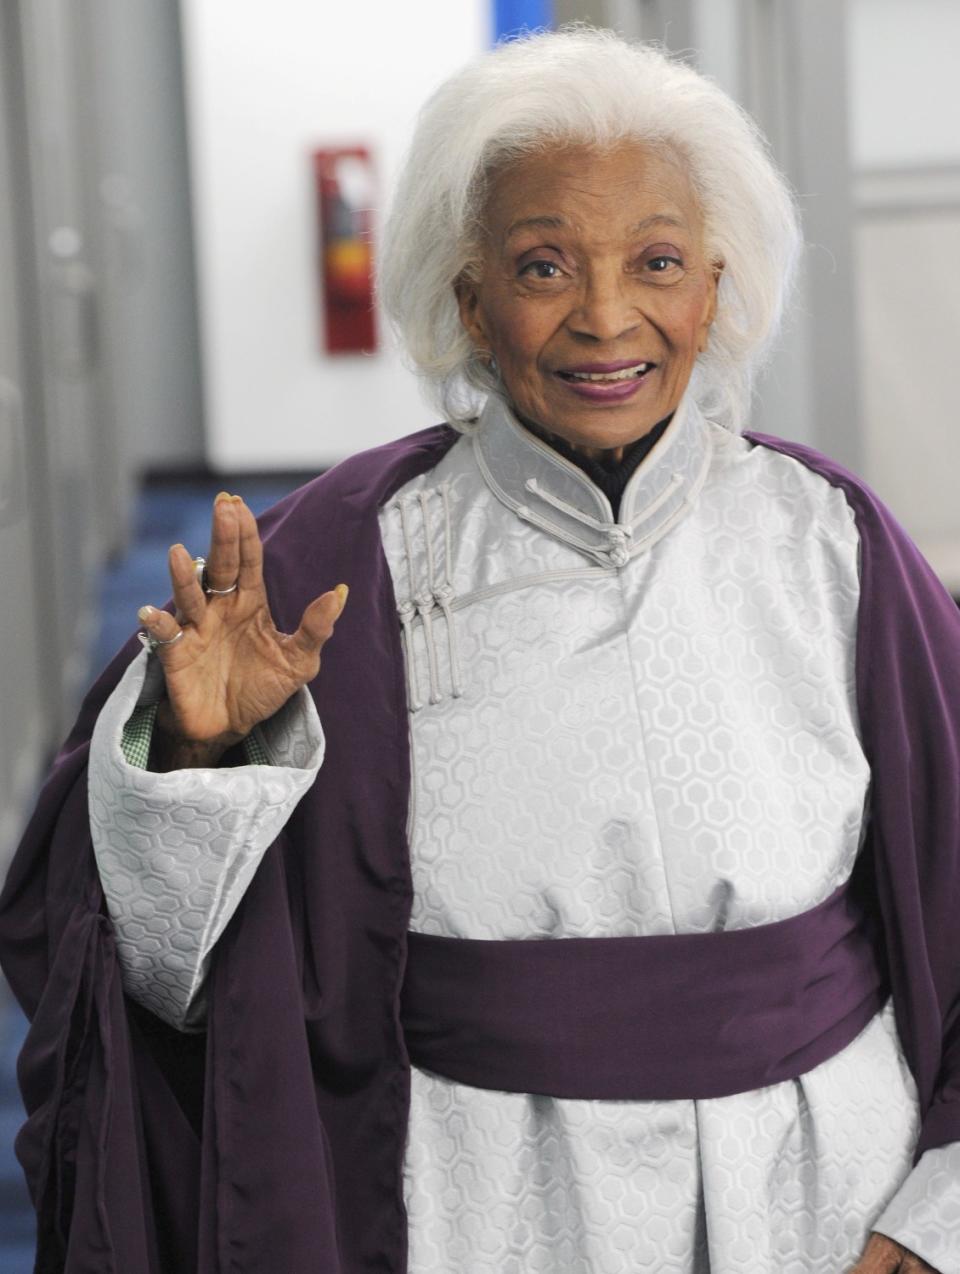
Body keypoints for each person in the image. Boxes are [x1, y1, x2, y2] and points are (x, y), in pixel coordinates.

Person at [0, 27, 958, 1274]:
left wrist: (934, 1221)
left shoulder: (836, 544)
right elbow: (141, 973)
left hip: (825, 1192)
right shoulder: (326, 567)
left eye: (657, 261)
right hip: (476, 1194)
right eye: (544, 265)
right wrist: (196, 756)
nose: (607, 317)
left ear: (714, 289)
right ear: (470, 302)